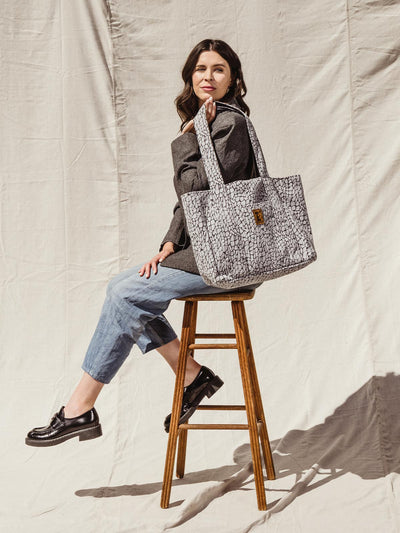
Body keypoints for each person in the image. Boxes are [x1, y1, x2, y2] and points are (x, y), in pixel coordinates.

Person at [25, 38, 261, 447]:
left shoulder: (229, 124)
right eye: (201, 69)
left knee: (125, 293)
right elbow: (192, 203)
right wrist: (170, 243)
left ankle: (81, 408)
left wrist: (189, 138)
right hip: (207, 251)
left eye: (218, 69)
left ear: (233, 79)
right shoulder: (209, 123)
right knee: (123, 289)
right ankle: (186, 377)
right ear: (190, 76)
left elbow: (194, 187)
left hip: (231, 258)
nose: (208, 76)